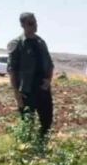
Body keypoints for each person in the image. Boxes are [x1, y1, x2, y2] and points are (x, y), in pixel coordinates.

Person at [6, 12, 55, 140]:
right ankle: (26, 149)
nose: (34, 26)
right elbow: (11, 69)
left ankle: (41, 146)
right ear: (22, 25)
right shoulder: (16, 43)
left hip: (43, 88)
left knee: (47, 121)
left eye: (35, 22)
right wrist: (16, 92)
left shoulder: (40, 42)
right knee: (27, 123)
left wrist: (48, 80)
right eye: (31, 23)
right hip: (26, 90)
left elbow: (50, 64)